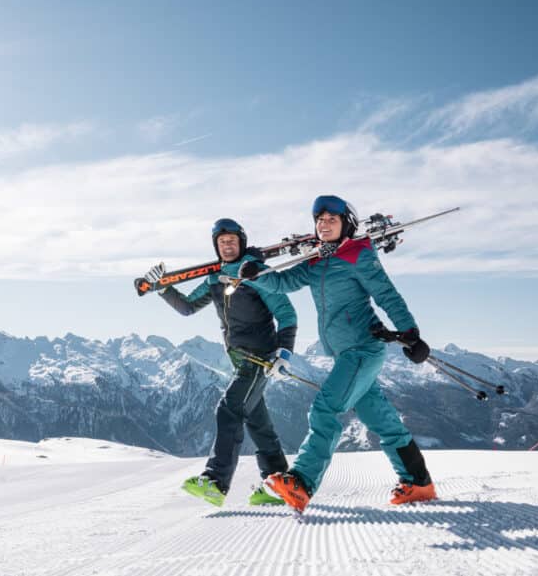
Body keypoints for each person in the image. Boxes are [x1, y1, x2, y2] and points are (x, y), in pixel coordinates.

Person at [237, 195, 436, 513]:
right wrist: (256, 272)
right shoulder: (316, 262)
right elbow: (283, 282)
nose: (324, 224)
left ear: (347, 224)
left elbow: (387, 295)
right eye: (319, 220)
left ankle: (301, 482)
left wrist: (411, 334)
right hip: (345, 354)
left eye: (331, 219)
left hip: (362, 350)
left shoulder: (359, 255)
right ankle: (419, 483)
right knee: (382, 421)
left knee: (325, 411)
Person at [143, 218, 298, 507]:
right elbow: (188, 307)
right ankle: (280, 483)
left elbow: (287, 314)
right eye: (222, 242)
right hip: (240, 360)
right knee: (257, 421)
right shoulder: (215, 278)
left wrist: (284, 352)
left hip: (259, 357)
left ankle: (215, 481)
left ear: (241, 242)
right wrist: (163, 288)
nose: (227, 246)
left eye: (232, 241)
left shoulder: (256, 273)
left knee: (228, 410)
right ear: (216, 247)